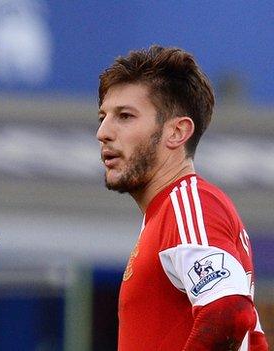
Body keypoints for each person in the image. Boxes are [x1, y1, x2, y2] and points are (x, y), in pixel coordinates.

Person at [97, 45, 269, 350]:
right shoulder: (168, 212)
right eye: (103, 116)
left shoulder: (188, 204)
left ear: (177, 132)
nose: (103, 131)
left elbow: (229, 311)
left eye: (124, 116)